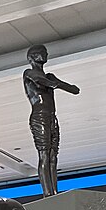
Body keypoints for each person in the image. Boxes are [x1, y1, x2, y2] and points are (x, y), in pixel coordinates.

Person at [23, 44, 80, 197]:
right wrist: (56, 83)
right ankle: (47, 193)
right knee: (44, 154)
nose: (45, 54)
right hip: (39, 116)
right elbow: (42, 81)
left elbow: (75, 90)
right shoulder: (28, 73)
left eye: (45, 52)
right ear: (32, 57)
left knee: (53, 155)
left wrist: (56, 83)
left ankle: (54, 192)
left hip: (51, 117)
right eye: (42, 52)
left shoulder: (49, 76)